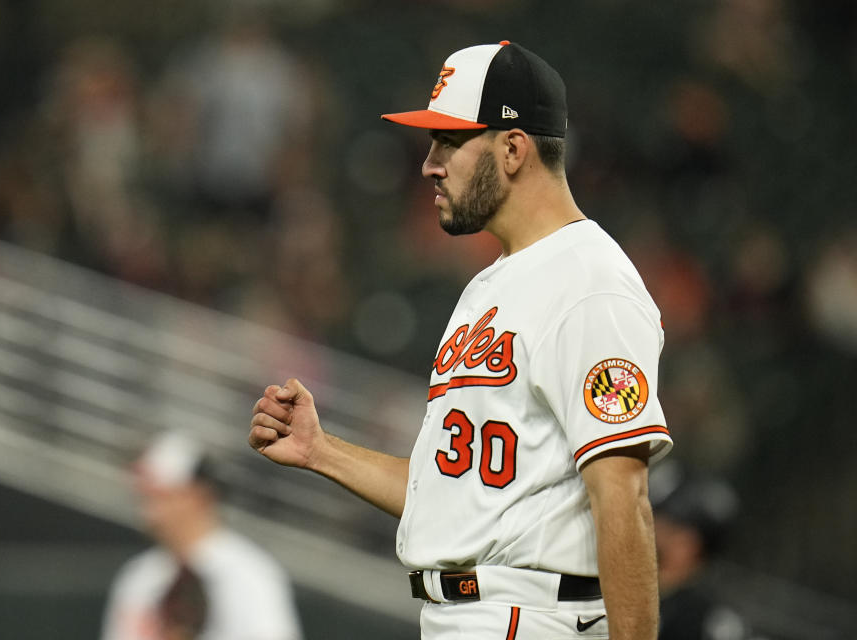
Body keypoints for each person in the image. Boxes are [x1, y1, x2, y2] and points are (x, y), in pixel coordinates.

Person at [249, 41, 673, 640]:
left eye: (449, 141)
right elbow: (454, 494)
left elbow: (623, 497)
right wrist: (323, 451)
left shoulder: (590, 284)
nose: (429, 163)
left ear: (513, 147)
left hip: (533, 615)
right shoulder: (489, 286)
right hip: (468, 615)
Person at [102, 430, 303, 640]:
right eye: (144, 496)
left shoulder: (248, 572)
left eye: (161, 496)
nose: (149, 510)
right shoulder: (139, 577)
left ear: (200, 495)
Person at [650, 461, 753, 640]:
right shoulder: (609, 589)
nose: (649, 526)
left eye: (661, 521)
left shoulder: (708, 622)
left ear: (688, 543)